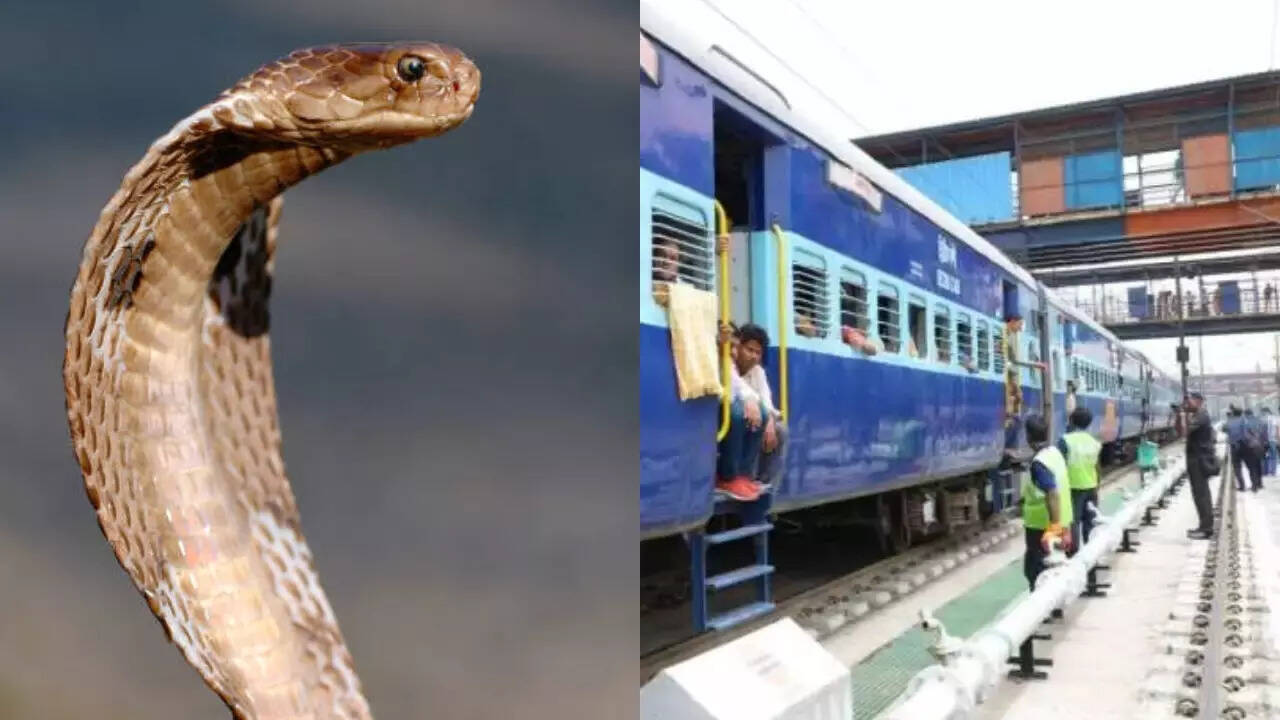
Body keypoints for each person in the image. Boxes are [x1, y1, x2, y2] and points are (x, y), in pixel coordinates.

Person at [714, 323, 769, 502]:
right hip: (715, 408)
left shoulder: (747, 368)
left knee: (763, 414)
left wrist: (752, 402)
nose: (734, 351)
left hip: (727, 402)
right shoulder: (718, 359)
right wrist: (747, 400)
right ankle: (728, 477)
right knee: (737, 413)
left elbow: (739, 386)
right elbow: (727, 390)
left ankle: (743, 476)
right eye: (731, 345)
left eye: (735, 346)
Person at [732, 323, 788, 494]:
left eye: (758, 353)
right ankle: (744, 476)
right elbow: (738, 389)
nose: (754, 357)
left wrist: (770, 420)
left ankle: (765, 483)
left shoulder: (758, 372)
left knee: (780, 430)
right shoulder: (728, 366)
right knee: (754, 422)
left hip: (753, 422)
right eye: (749, 350)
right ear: (738, 347)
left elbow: (766, 400)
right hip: (735, 423)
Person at [1020, 415, 1072, 591]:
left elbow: (1053, 493)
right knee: (1054, 565)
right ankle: (1055, 609)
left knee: (1036, 570)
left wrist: (1054, 527)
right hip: (1060, 521)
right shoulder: (1055, 454)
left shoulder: (1039, 463)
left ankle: (1041, 610)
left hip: (1042, 527)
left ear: (1028, 437)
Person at [1058, 406, 1102, 552]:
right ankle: (1091, 553)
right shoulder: (1095, 442)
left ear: (1071, 420)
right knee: (1090, 522)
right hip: (1091, 486)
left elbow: (1060, 464)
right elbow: (1097, 467)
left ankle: (1074, 554)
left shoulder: (1065, 441)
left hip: (1073, 487)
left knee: (1073, 521)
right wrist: (1097, 485)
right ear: (1089, 423)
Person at [1184, 393, 1218, 539]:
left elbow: (1185, 431)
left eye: (1189, 400)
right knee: (1200, 494)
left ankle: (1206, 529)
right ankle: (1204, 526)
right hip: (1197, 459)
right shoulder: (1199, 415)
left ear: (1198, 401)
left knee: (1201, 495)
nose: (1187, 403)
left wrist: (1181, 416)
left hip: (1199, 460)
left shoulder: (1201, 415)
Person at [1242, 408, 1266, 491]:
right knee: (1258, 465)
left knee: (1252, 467)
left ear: (1246, 414)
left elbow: (1245, 436)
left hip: (1250, 447)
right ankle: (1260, 483)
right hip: (1260, 447)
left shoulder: (1245, 423)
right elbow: (1264, 435)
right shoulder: (1260, 421)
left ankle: (1254, 485)